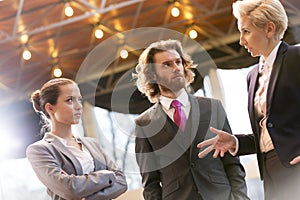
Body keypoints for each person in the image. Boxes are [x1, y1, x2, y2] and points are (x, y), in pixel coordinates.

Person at [197, 0, 300, 199]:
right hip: (271, 173)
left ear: (269, 29)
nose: (241, 41)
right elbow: (272, 132)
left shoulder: (297, 58)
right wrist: (235, 142)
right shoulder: (252, 75)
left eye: (246, 31)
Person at [132, 39, 249, 200]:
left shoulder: (212, 107)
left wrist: (240, 197)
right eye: (167, 64)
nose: (176, 68)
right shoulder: (144, 123)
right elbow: (150, 184)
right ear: (153, 74)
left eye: (178, 62)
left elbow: (232, 162)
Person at [26, 78, 127, 200]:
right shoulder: (40, 150)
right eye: (70, 100)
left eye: (79, 99)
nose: (79, 106)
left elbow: (121, 181)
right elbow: (69, 189)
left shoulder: (92, 144)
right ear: (50, 108)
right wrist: (107, 176)